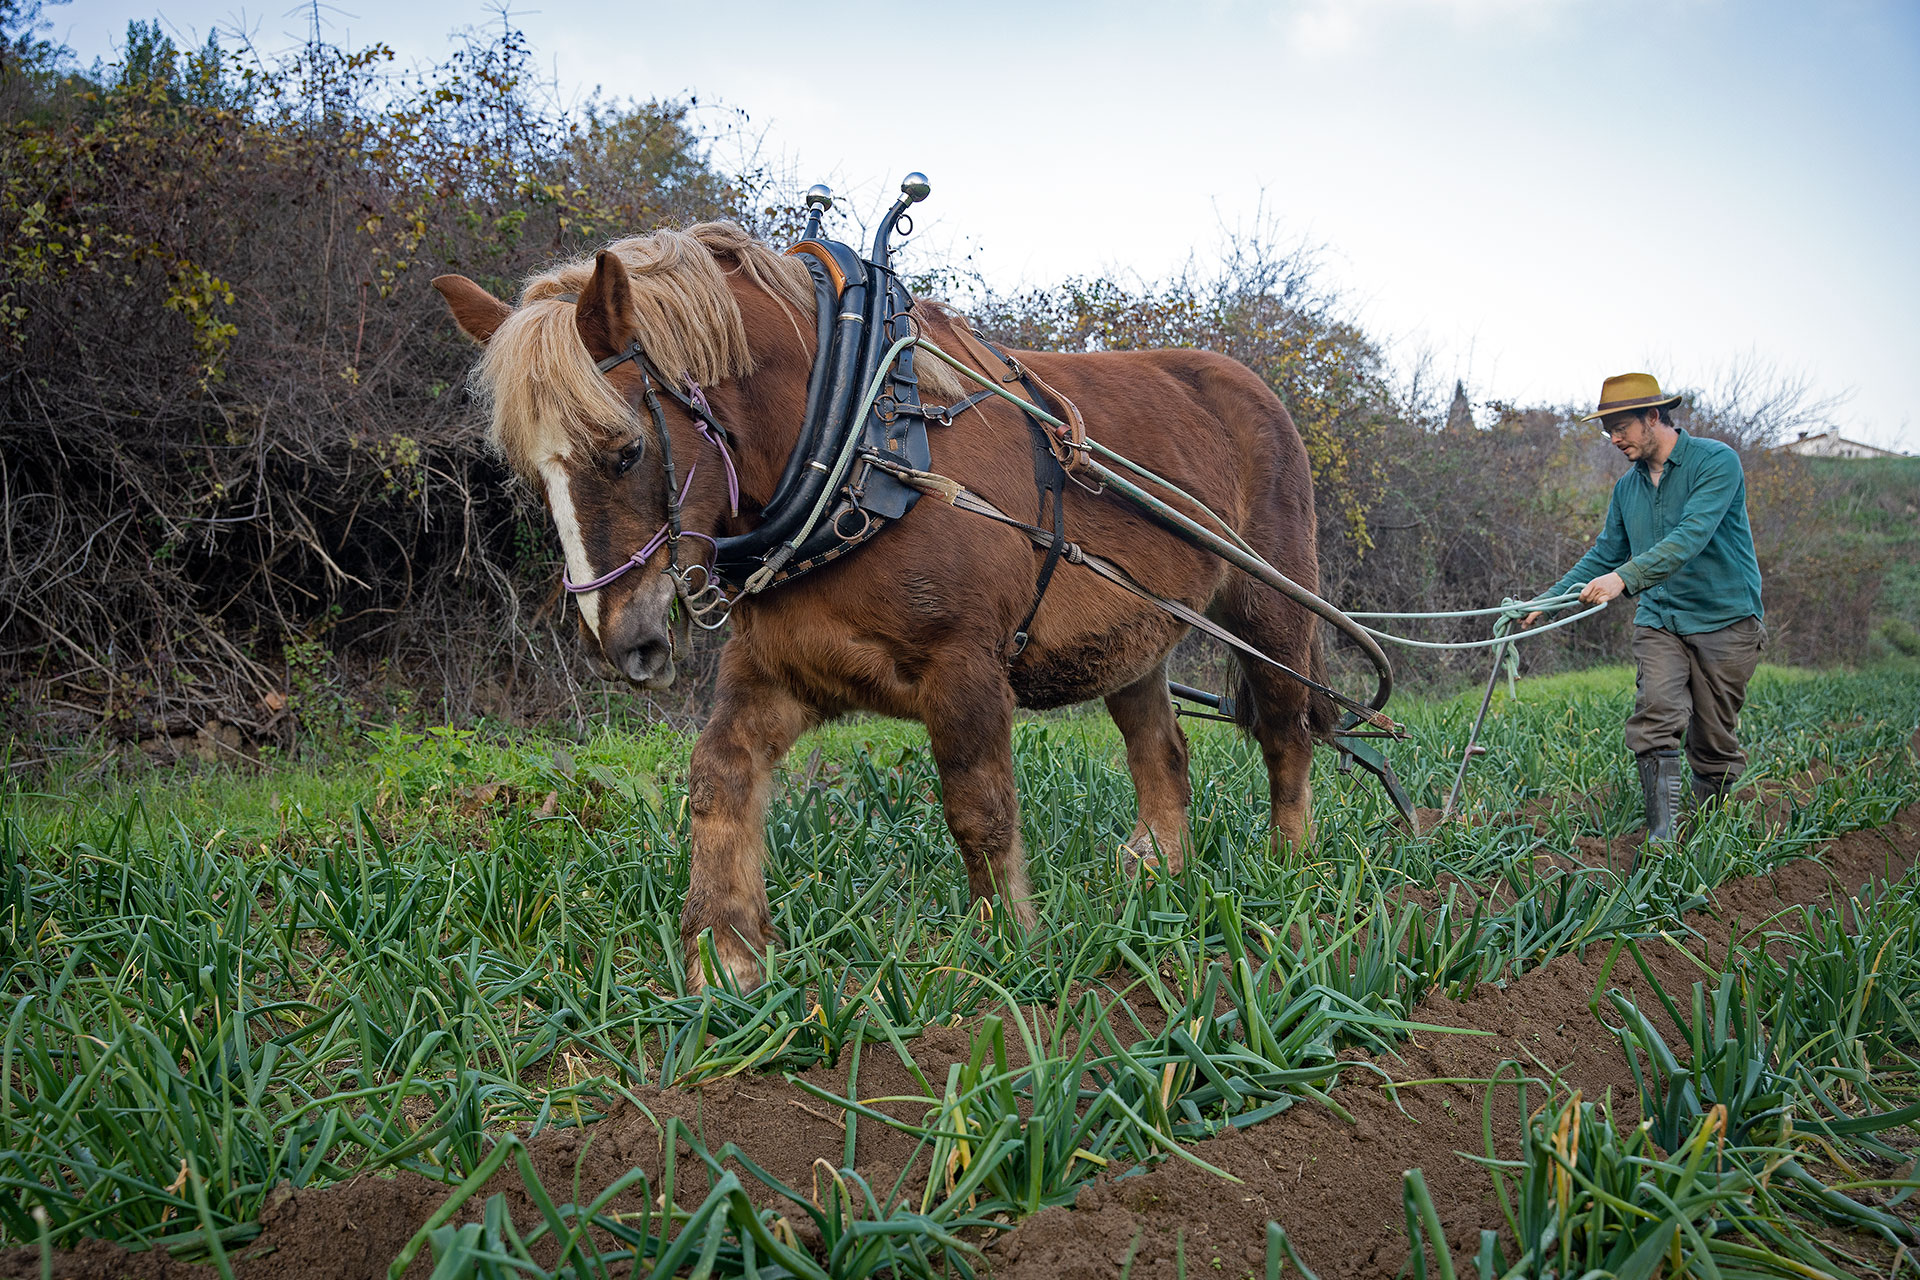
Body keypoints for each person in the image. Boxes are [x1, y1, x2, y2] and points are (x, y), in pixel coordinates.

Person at [1523, 373, 1765, 843]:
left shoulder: (1716, 462)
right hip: (1660, 619)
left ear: (1653, 417)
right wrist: (1545, 602)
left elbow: (1690, 538)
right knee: (1655, 713)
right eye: (1606, 430)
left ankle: (1704, 831)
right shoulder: (1626, 489)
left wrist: (1623, 580)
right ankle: (1663, 835)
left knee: (1713, 741)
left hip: (1725, 620)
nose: (1613, 439)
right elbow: (1604, 554)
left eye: (1621, 427)